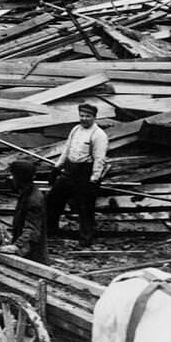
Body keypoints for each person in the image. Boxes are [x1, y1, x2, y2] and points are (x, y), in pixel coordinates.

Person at [47, 102, 108, 248]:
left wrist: (94, 178)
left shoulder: (99, 134)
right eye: (82, 115)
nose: (84, 119)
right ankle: (50, 231)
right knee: (53, 199)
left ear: (94, 117)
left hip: (84, 172)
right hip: (69, 170)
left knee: (85, 207)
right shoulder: (76, 129)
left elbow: (99, 158)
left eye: (88, 116)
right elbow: (67, 149)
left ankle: (86, 237)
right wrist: (57, 167)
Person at [3, 158, 48, 263]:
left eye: (13, 175)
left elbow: (32, 230)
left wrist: (16, 246)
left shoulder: (33, 200)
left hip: (31, 256)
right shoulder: (26, 194)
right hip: (26, 252)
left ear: (19, 178)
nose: (10, 178)